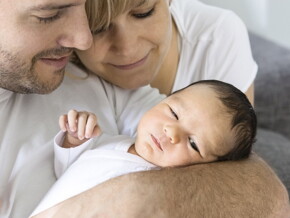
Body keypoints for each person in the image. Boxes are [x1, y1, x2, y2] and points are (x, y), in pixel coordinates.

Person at [0, 0, 289, 217]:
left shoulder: (126, 109)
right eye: (48, 15)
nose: (81, 39)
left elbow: (252, 177)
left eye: (143, 12)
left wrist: (133, 197)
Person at [30, 80, 257, 215]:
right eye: (174, 113)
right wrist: (75, 139)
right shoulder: (112, 142)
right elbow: (67, 174)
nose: (172, 132)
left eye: (193, 143)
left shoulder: (160, 188)